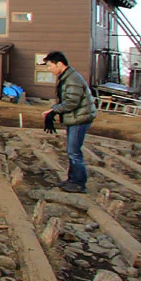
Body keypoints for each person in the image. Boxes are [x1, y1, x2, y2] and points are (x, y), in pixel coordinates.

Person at [41, 51, 97, 193]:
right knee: (72, 150)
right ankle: (72, 180)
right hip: (75, 118)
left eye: (50, 65)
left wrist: (54, 111)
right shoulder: (66, 77)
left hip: (80, 119)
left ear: (59, 64)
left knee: (74, 151)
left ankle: (79, 183)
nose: (49, 69)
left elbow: (72, 102)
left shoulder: (72, 79)